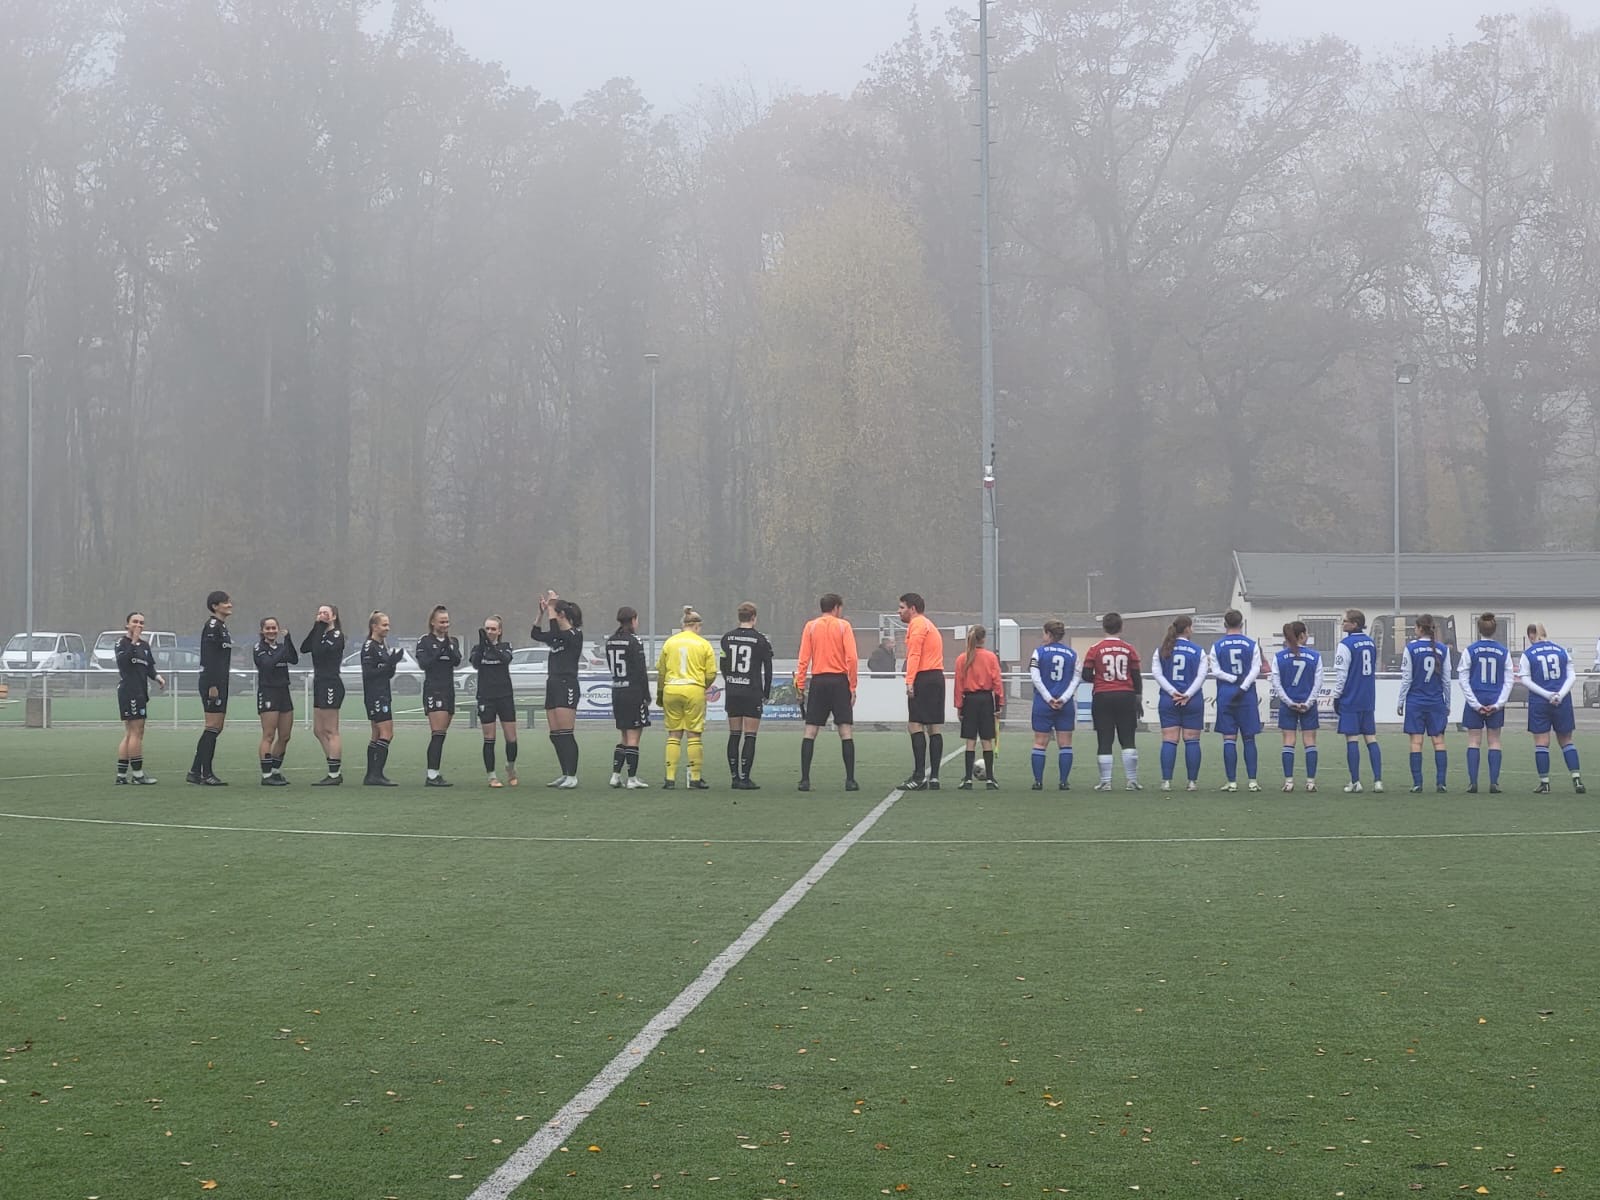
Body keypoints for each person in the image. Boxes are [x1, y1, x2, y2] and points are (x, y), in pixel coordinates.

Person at [794, 592, 860, 792]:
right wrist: (852, 686)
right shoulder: (843, 626)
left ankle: (805, 780)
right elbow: (852, 658)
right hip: (839, 681)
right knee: (845, 730)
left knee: (811, 730)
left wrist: (800, 686)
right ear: (837, 607)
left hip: (819, 680)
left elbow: (803, 659)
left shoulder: (811, 626)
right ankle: (850, 780)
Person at [657, 606, 719, 788]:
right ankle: (695, 778)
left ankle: (670, 778)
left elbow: (661, 671)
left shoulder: (670, 643)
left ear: (683, 625)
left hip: (671, 689)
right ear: (697, 626)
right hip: (693, 689)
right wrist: (702, 686)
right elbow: (711, 673)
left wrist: (661, 693)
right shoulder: (703, 644)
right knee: (694, 734)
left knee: (674, 734)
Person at [1518, 623, 1585, 794]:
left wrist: (1547, 695)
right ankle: (1577, 780)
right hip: (1562, 701)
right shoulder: (1561, 650)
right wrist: (1560, 695)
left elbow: (1525, 679)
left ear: (1532, 636)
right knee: (1566, 740)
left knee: (1541, 742)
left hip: (1540, 702)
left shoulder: (1528, 654)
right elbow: (1572, 676)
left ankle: (1545, 783)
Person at [1082, 612, 1142, 791]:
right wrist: (1137, 696)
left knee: (1104, 739)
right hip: (1126, 695)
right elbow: (1136, 676)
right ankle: (1131, 780)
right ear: (1121, 627)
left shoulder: (1095, 649)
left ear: (1104, 628)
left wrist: (1101, 680)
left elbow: (1086, 674)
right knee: (1128, 739)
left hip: (1102, 696)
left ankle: (1105, 782)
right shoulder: (1129, 649)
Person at [531, 591, 585, 787]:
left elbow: (555, 632)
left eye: (555, 612)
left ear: (562, 614)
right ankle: (564, 773)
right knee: (555, 734)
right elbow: (535, 634)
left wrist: (552, 607)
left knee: (566, 732)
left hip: (566, 684)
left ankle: (572, 775)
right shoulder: (556, 637)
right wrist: (542, 613)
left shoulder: (574, 635)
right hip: (552, 684)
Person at [720, 602, 774, 789]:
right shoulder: (761, 640)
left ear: (739, 617)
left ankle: (734, 777)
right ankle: (745, 778)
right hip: (752, 692)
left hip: (733, 690)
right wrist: (766, 693)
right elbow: (768, 670)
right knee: (750, 735)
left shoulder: (727, 638)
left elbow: (723, 664)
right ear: (754, 617)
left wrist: (730, 680)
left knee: (734, 734)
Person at [1210, 609, 1265, 793]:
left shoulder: (1217, 645)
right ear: (1242, 624)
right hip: (1246, 694)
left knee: (1229, 739)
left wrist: (1231, 679)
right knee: (1249, 738)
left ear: (1225, 624)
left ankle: (1231, 782)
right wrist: (1243, 685)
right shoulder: (1251, 644)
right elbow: (1256, 668)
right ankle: (1252, 781)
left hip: (1226, 693)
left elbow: (1215, 670)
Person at [1457, 612, 1511, 794]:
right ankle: (1494, 783)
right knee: (1494, 740)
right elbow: (1509, 680)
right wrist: (1498, 704)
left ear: (1478, 629)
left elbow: (1463, 678)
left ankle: (1473, 783)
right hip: (1495, 699)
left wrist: (1474, 703)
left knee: (1473, 740)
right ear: (1495, 629)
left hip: (1476, 698)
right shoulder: (1504, 652)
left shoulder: (1470, 650)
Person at [1330, 608, 1383, 793]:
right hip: (1367, 697)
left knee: (1352, 738)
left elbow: (1342, 675)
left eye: (1345, 621)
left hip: (1351, 697)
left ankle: (1355, 782)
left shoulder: (1345, 644)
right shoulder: (1370, 642)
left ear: (1354, 624)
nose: (1343, 623)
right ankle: (1378, 781)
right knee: (1371, 738)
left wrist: (1336, 696)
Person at [1397, 613, 1450, 793]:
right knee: (1439, 742)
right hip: (1436, 701)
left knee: (1416, 742)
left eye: (1415, 627)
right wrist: (1447, 703)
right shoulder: (1443, 649)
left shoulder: (1411, 648)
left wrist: (1400, 700)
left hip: (1416, 701)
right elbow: (1446, 680)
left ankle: (1417, 783)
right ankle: (1441, 783)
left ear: (1420, 628)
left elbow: (1407, 678)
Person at [898, 592, 946, 790]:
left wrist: (909, 682)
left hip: (924, 678)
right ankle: (933, 777)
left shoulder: (917, 625)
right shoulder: (929, 624)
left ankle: (919, 776)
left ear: (912, 608)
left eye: (901, 607)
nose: (899, 611)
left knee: (914, 725)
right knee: (934, 727)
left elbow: (915, 654)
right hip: (936, 677)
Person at [1152, 615, 1206, 792]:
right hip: (1193, 700)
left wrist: (1172, 692)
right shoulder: (1199, 651)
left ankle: (1166, 781)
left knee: (1169, 740)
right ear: (1188, 629)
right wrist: (1188, 694)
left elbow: (1157, 674)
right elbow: (1201, 676)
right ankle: (1192, 782)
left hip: (1168, 700)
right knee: (1192, 741)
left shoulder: (1162, 650)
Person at [187, 590, 234, 786]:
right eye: (226, 602)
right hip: (212, 682)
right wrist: (213, 685)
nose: (230, 605)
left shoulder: (222, 627)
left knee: (217, 727)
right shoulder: (213, 626)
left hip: (220, 681)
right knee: (212, 727)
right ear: (215, 606)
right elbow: (210, 658)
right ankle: (206, 773)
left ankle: (195, 771)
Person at [1028, 620, 1081, 791]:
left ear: (1049, 634)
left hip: (1043, 704)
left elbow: (1035, 678)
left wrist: (1048, 697)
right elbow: (1076, 679)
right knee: (1065, 743)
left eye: (1044, 633)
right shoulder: (1072, 654)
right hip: (1065, 705)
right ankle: (1063, 782)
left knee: (1040, 742)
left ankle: (1038, 782)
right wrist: (1064, 698)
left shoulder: (1039, 652)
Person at [114, 611, 166, 784]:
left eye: (142, 623)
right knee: (135, 731)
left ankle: (121, 776)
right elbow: (124, 662)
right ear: (127, 625)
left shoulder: (144, 646)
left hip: (141, 691)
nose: (139, 625)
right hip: (129, 691)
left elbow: (149, 666)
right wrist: (134, 641)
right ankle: (137, 775)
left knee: (132, 733)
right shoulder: (122, 643)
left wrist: (157, 677)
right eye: (135, 622)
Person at [1271, 621, 1323, 793]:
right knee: (1310, 741)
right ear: (1302, 635)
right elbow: (1318, 683)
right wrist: (1308, 702)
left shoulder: (1279, 657)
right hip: (1309, 705)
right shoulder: (1315, 656)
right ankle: (1310, 782)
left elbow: (1276, 684)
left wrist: (1289, 702)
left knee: (1288, 741)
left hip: (1288, 705)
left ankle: (1289, 782)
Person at [416, 605, 463, 787]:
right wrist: (439, 649)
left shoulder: (452, 641)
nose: (445, 625)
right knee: (437, 732)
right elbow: (425, 663)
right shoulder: (425, 641)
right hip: (434, 689)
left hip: (449, 689)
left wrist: (448, 647)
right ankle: (432, 775)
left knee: (442, 734)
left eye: (447, 621)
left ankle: (435, 773)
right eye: (442, 621)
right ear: (433, 622)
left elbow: (457, 660)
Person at [471, 615, 520, 787]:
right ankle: (492, 776)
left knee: (511, 738)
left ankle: (510, 766)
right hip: (486, 697)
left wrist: (492, 646)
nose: (490, 632)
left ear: (499, 631)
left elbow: (505, 659)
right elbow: (475, 664)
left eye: (493, 629)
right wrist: (483, 646)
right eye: (487, 629)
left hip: (505, 696)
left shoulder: (506, 647)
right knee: (489, 738)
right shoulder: (478, 648)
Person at [606, 606, 652, 789]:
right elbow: (641, 671)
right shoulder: (635, 641)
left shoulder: (610, 641)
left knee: (624, 735)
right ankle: (632, 778)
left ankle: (615, 775)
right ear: (633, 619)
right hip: (633, 692)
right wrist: (646, 695)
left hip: (617, 690)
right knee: (634, 735)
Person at [301, 605, 346, 784]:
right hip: (319, 683)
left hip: (331, 684)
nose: (321, 615)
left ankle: (334, 774)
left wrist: (320, 628)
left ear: (333, 616)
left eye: (325, 613)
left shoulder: (336, 635)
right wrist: (316, 627)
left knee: (330, 730)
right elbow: (305, 648)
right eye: (319, 612)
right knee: (318, 730)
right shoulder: (320, 633)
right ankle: (334, 768)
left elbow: (319, 651)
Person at [955, 624, 1004, 789]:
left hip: (969, 701)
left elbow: (959, 685)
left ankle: (968, 779)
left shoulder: (962, 658)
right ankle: (990, 779)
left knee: (970, 741)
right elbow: (997, 683)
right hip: (986, 701)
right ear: (983, 639)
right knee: (986, 740)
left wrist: (959, 707)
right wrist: (999, 704)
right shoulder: (991, 657)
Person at [253, 616, 299, 786]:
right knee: (269, 735)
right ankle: (266, 775)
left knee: (285, 736)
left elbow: (293, 659)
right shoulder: (259, 648)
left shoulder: (280, 646)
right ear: (262, 631)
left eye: (274, 628)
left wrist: (289, 640)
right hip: (268, 692)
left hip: (283, 692)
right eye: (268, 628)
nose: (271, 631)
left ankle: (275, 770)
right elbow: (268, 664)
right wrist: (282, 649)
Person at [361, 611, 405, 786]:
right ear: (374, 627)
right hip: (375, 695)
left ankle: (371, 775)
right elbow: (368, 673)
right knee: (387, 733)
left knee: (377, 734)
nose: (387, 628)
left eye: (388, 625)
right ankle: (376, 774)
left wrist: (392, 663)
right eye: (384, 625)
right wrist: (388, 664)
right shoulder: (369, 647)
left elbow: (388, 673)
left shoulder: (382, 646)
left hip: (383, 693)